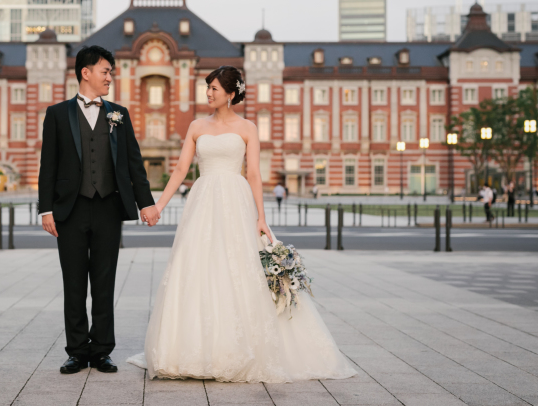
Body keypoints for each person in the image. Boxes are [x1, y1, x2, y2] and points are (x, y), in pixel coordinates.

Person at [127, 65, 356, 383]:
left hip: (236, 201)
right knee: (197, 267)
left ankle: (240, 347)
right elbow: (180, 169)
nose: (208, 93)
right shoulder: (196, 126)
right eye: (207, 88)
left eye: (214, 89)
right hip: (203, 199)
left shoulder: (248, 128)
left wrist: (261, 217)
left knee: (237, 267)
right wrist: (158, 205)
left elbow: (254, 174)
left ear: (231, 94)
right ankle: (191, 349)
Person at [38, 45, 159, 375]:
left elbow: (134, 164)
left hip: (108, 208)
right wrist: (45, 210)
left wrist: (146, 202)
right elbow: (47, 165)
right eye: (105, 71)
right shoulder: (57, 114)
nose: (110, 77)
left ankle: (102, 350)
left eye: (112, 72)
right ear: (85, 73)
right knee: (74, 283)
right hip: (70, 210)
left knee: (104, 283)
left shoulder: (118, 113)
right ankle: (77, 351)